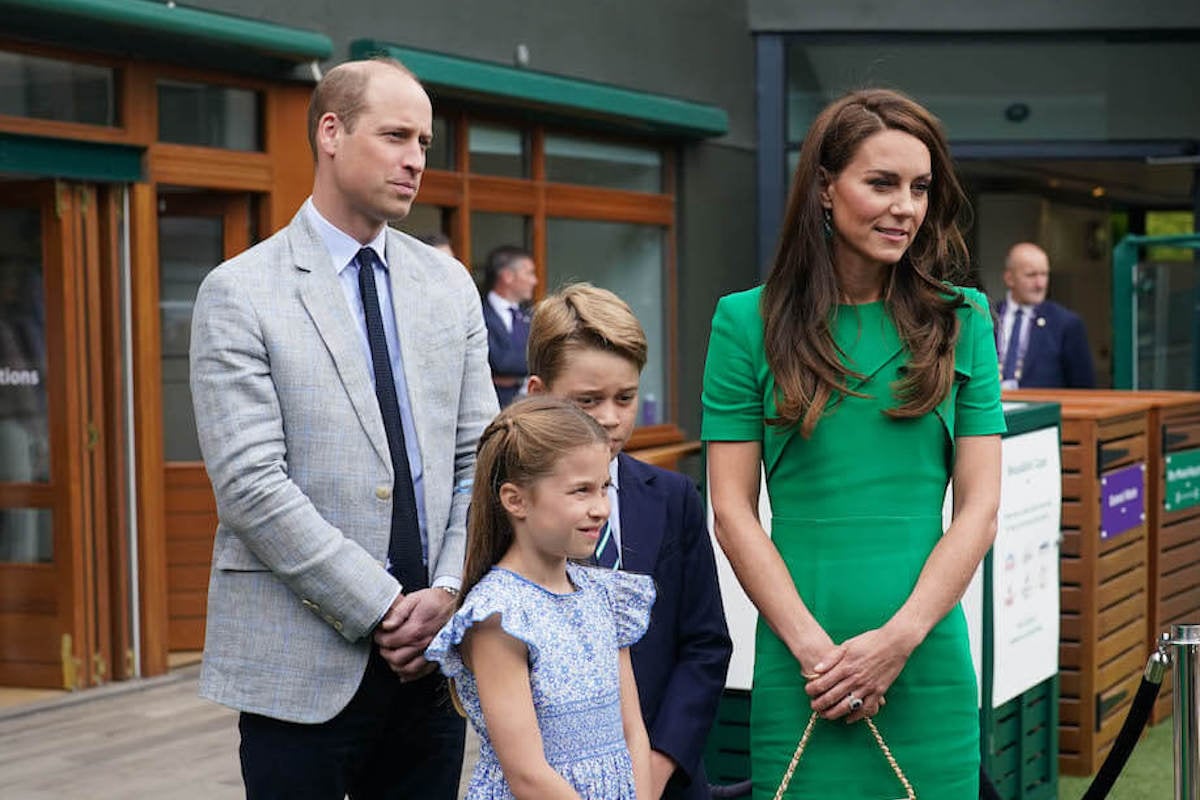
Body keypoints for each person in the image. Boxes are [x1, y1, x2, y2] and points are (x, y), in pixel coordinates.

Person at [189, 57, 497, 799]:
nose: (416, 160)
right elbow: (251, 487)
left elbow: (482, 459)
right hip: (301, 668)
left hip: (434, 660)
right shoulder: (240, 292)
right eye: (396, 136)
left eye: (423, 142)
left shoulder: (447, 285)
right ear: (331, 131)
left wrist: (449, 589)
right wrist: (386, 607)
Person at [702, 88, 1004, 799]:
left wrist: (898, 641)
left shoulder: (966, 320)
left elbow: (980, 508)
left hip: (926, 655)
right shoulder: (744, 323)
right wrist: (815, 653)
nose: (906, 206)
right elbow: (732, 512)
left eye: (920, 187)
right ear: (824, 190)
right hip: (802, 659)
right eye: (882, 182)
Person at [526, 282, 732, 800]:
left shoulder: (673, 496)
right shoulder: (512, 511)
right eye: (588, 400)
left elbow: (704, 643)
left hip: (665, 778)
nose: (611, 418)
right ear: (537, 394)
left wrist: (657, 769)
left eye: (626, 397)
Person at [426, 395, 655, 799]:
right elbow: (527, 774)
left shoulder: (605, 595)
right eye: (580, 491)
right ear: (516, 500)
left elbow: (632, 730)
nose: (601, 508)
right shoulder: (500, 614)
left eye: (604, 488)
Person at [994, 241, 1096, 389]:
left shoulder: (1066, 324)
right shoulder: (987, 318)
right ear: (1009, 278)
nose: (1040, 284)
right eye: (1031, 275)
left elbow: (1084, 389)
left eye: (1044, 274)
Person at [481, 245, 538, 406]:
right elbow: (499, 361)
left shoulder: (531, 317)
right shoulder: (478, 314)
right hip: (491, 405)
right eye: (529, 273)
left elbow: (544, 358)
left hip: (526, 406)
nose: (535, 281)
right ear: (507, 276)